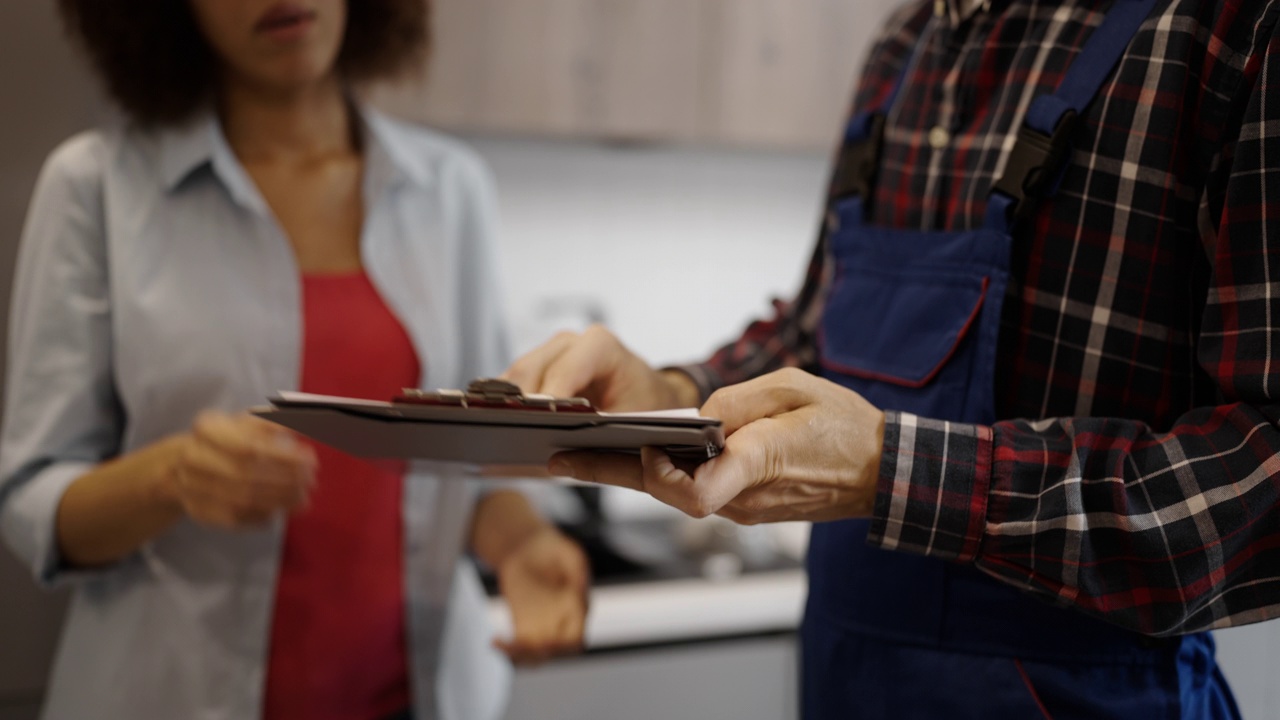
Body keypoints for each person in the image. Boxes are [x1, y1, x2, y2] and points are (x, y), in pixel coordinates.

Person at [506, 0, 1280, 717]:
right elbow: (823, 322)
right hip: (844, 681)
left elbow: (1265, 484)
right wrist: (674, 394)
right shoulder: (905, 42)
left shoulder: (1233, 29)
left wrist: (894, 473)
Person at [0, 1, 588, 719]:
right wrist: (171, 476)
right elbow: (30, 500)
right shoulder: (96, 187)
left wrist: (522, 541)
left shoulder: (450, 189)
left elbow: (482, 459)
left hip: (417, 697)